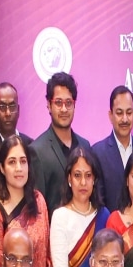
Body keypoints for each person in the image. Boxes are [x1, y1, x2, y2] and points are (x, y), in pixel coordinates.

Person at [0, 134, 54, 267]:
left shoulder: (38, 200)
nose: (18, 168)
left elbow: (49, 254)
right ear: (2, 168)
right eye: (12, 162)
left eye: (23, 161)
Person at [51, 147, 111, 267]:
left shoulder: (104, 215)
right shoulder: (60, 217)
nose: (83, 182)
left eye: (88, 175)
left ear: (94, 179)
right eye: (77, 175)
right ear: (69, 179)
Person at [34, 72, 92, 213]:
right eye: (58, 103)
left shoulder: (85, 146)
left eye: (68, 103)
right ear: (49, 105)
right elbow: (38, 209)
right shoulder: (37, 151)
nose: (64, 109)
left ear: (74, 104)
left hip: (86, 225)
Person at [91, 86, 133, 212]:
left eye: (129, 113)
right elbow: (98, 203)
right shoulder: (98, 153)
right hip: (109, 223)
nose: (125, 119)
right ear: (110, 115)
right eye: (119, 113)